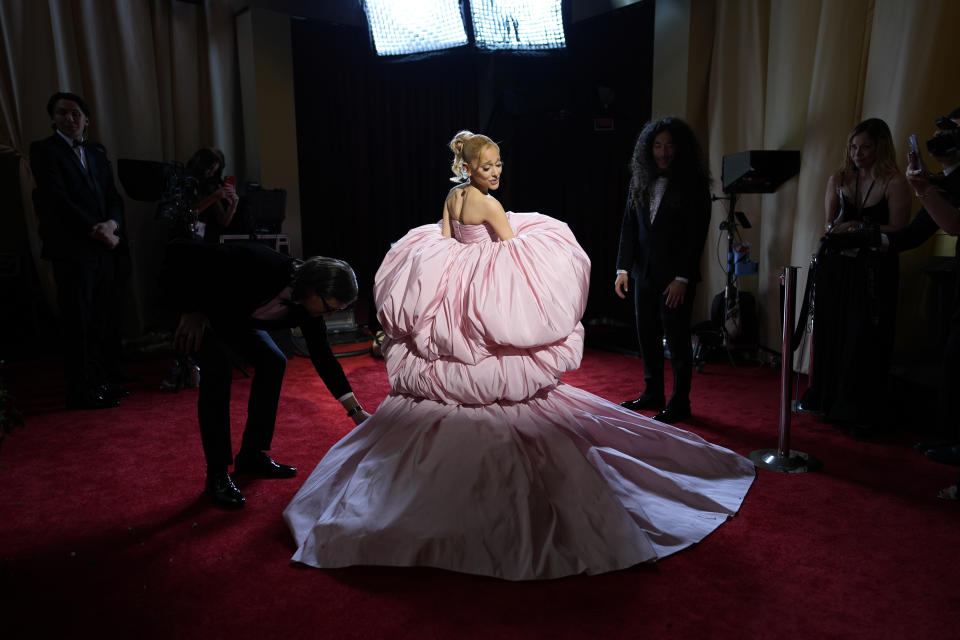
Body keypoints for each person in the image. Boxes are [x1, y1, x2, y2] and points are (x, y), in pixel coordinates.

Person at [283, 131, 755, 580]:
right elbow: (510, 250)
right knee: (492, 334)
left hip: (453, 274)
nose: (496, 172)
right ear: (469, 168)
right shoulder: (488, 203)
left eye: (499, 164)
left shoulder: (452, 197)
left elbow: (446, 241)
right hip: (484, 267)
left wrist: (456, 281)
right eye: (488, 166)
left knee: (452, 341)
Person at [159, 240, 370, 509]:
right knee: (218, 371)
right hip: (203, 307)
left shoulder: (309, 308)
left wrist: (355, 411)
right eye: (329, 307)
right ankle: (217, 473)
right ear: (314, 288)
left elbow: (323, 357)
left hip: (237, 317)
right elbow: (190, 256)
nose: (328, 315)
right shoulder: (261, 262)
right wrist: (192, 309)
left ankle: (252, 454)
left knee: (273, 361)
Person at [804, 118, 911, 431]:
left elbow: (901, 231)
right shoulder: (838, 178)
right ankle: (827, 397)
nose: (857, 153)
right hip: (838, 269)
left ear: (880, 147)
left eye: (865, 147)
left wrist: (863, 229)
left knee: (861, 336)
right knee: (831, 330)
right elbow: (828, 225)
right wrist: (841, 228)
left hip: (873, 273)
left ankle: (855, 406)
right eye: (853, 147)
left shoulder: (895, 182)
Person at [30, 91, 130, 410]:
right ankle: (80, 390)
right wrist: (95, 229)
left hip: (105, 247)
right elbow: (56, 199)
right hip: (72, 249)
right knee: (78, 321)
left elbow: (113, 196)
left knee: (102, 317)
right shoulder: (43, 151)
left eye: (76, 113)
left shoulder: (97, 153)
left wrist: (112, 225)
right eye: (62, 113)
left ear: (87, 119)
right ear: (53, 119)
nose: (70, 119)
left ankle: (103, 381)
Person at [615, 117, 711, 424]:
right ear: (648, 149)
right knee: (648, 336)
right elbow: (629, 227)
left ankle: (680, 402)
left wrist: (683, 278)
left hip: (676, 279)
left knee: (678, 339)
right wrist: (622, 268)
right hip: (644, 273)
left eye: (669, 145)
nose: (663, 152)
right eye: (657, 145)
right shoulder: (640, 179)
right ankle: (653, 392)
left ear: (679, 148)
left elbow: (697, 234)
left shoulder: (694, 183)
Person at [888, 108, 960, 472]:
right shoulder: (947, 180)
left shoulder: (944, 183)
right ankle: (949, 438)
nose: (942, 142)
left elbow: (954, 223)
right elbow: (916, 231)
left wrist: (925, 188)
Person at [183, 147, 239, 243]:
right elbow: (188, 214)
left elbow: (223, 221)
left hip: (202, 238)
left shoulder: (209, 186)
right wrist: (214, 197)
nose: (211, 174)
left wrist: (233, 205)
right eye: (210, 169)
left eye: (214, 172)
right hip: (184, 237)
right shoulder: (187, 182)